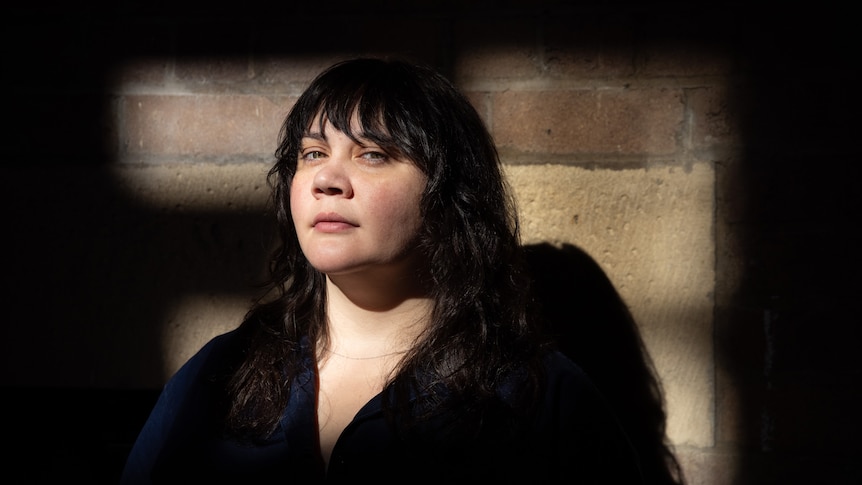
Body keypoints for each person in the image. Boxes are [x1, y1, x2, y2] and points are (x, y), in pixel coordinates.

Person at [121, 57, 646, 483]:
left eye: (372, 154)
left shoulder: (534, 398)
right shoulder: (221, 374)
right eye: (311, 153)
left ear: (449, 197)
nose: (327, 177)